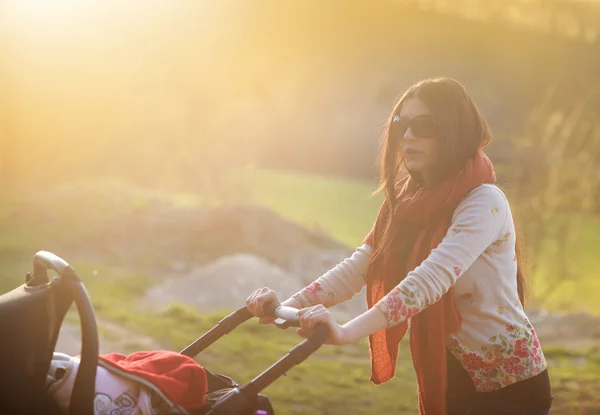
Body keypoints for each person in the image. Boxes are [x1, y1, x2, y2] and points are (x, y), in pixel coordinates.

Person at [245, 77, 552, 415]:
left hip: (512, 386)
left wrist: (346, 332)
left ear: (454, 131)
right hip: (452, 376)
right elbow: (361, 266)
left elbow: (429, 281)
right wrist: (285, 308)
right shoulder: (407, 199)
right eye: (400, 125)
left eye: (423, 125)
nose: (407, 136)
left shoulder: (484, 203)